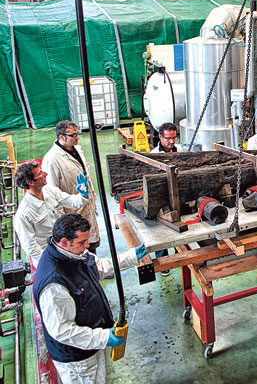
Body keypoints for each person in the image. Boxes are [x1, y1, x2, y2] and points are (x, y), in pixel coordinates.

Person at [32, 213, 147, 384]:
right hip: (78, 360)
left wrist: (130, 257)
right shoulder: (54, 284)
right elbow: (62, 331)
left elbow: (98, 267)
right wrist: (103, 337)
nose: (87, 246)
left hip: (91, 343)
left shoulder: (72, 253)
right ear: (64, 241)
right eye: (81, 242)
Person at [13, 161, 90, 267]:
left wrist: (83, 195)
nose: (45, 174)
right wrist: (50, 261)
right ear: (31, 182)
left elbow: (73, 202)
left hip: (66, 246)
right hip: (49, 257)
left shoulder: (49, 191)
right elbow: (30, 246)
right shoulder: (24, 214)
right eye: (40, 173)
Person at [42, 121, 100, 254]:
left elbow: (87, 177)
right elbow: (52, 193)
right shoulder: (51, 160)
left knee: (91, 242)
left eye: (77, 133)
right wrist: (63, 220)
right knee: (79, 247)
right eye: (73, 135)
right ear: (62, 137)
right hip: (72, 212)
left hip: (86, 204)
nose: (77, 137)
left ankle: (95, 268)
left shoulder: (77, 149)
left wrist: (92, 198)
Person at [150, 122, 182, 276]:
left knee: (179, 225)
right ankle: (163, 263)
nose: (171, 142)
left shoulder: (181, 150)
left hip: (178, 193)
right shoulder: (153, 154)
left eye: (174, 138)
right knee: (161, 230)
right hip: (162, 195)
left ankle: (179, 255)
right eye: (168, 138)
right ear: (160, 137)